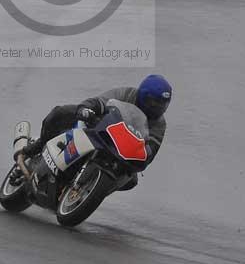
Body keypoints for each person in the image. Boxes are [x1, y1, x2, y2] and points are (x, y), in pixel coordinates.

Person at [19, 75, 172, 188]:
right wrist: (88, 108)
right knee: (60, 112)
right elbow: (101, 100)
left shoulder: (159, 124)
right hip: (100, 128)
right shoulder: (127, 94)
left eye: (162, 104)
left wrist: (144, 156)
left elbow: (150, 151)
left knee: (131, 180)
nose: (157, 107)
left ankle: (90, 188)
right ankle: (38, 146)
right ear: (143, 95)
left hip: (122, 151)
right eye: (153, 102)